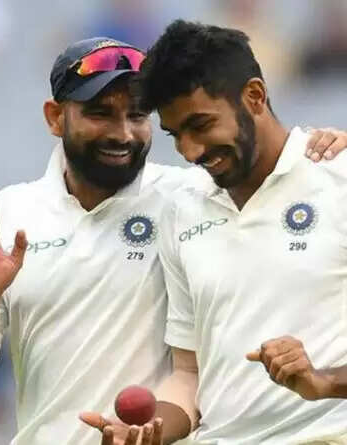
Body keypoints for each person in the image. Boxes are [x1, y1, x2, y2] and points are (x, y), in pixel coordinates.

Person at [0, 36, 347, 445]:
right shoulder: (8, 215)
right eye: (101, 114)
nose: (122, 134)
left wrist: (323, 148)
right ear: (55, 117)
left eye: (137, 115)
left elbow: (274, 166)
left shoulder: (188, 196)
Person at [97, 19, 347, 444]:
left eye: (201, 125)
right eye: (176, 135)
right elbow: (189, 374)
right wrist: (147, 431)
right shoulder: (182, 209)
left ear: (254, 96)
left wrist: (325, 382)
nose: (189, 151)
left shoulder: (337, 177)